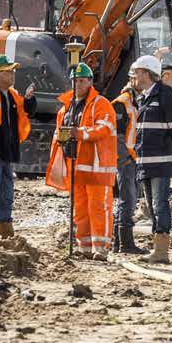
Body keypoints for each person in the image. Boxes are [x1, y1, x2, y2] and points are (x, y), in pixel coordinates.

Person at [46, 62, 117, 261]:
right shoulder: (66, 108)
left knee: (99, 207)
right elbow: (58, 133)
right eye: (75, 81)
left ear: (90, 82)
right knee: (80, 208)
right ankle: (84, 246)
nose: (78, 84)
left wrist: (79, 133)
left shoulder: (101, 104)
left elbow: (104, 128)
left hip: (97, 168)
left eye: (82, 81)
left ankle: (101, 248)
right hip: (75, 166)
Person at [132, 54, 172, 264]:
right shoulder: (144, 97)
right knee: (151, 204)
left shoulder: (164, 94)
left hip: (161, 161)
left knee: (159, 204)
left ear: (147, 73)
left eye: (137, 72)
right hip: (146, 161)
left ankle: (162, 251)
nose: (135, 76)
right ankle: (157, 248)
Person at [0, 55, 36, 238]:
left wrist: (30, 99)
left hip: (7, 151)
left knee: (7, 193)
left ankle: (5, 229)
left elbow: (26, 111)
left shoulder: (12, 94)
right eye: (9, 71)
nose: (13, 74)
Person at [112, 80, 143, 254]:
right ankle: (125, 243)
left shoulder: (132, 102)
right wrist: (124, 158)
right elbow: (116, 135)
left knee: (127, 200)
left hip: (130, 158)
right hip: (126, 159)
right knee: (127, 200)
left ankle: (119, 243)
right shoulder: (122, 103)